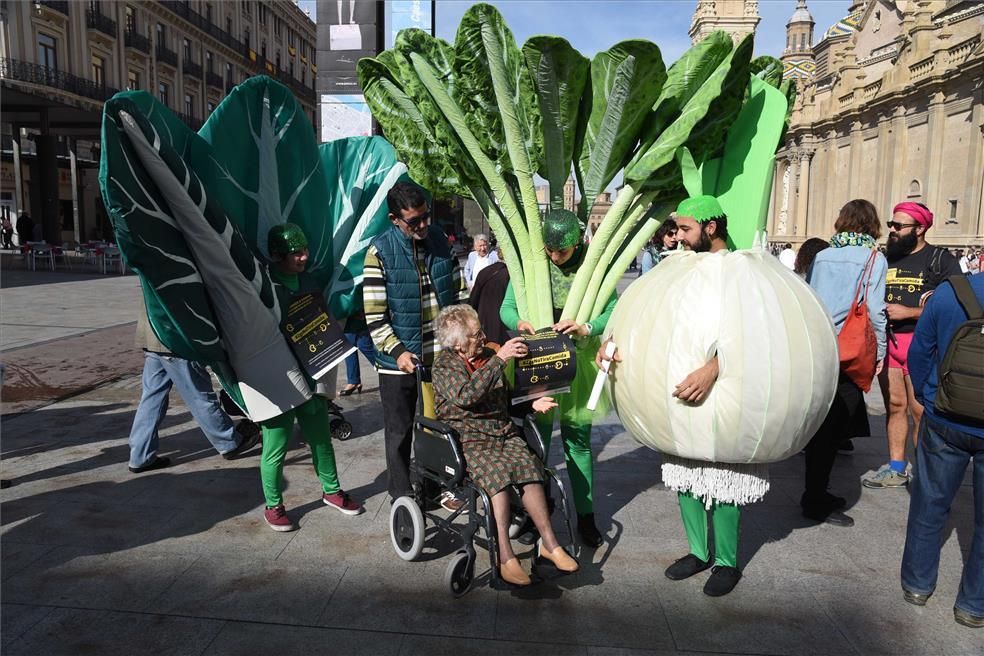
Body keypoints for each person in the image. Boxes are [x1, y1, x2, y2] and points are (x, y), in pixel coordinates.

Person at [598, 194, 761, 597]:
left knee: (725, 477)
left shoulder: (743, 272)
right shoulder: (677, 267)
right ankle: (697, 551)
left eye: (685, 229)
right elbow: (645, 315)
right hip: (679, 398)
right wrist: (612, 343)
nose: (678, 238)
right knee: (686, 475)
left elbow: (756, 334)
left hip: (724, 392)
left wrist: (713, 369)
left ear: (711, 227)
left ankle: (726, 561)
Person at [432, 305, 579, 586]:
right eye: (476, 335)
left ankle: (550, 544)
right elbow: (466, 395)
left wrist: (531, 403)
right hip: (468, 438)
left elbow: (505, 396)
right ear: (458, 342)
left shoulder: (487, 355)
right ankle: (504, 555)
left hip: (501, 431)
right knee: (496, 480)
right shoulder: (444, 365)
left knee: (530, 469)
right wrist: (499, 359)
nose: (483, 337)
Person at [499, 209, 618, 548]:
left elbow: (612, 308)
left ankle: (586, 518)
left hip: (579, 364)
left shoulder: (592, 268)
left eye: (561, 252)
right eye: (549, 250)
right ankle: (537, 514)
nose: (554, 257)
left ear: (577, 243)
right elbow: (507, 306)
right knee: (536, 445)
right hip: (539, 364)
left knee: (578, 444)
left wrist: (587, 327)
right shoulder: (535, 265)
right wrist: (520, 321)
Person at [363, 181, 468, 506]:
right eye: (414, 221)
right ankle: (402, 495)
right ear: (395, 219)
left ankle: (438, 488)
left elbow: (458, 290)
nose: (423, 225)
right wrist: (398, 351)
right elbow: (375, 317)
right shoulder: (379, 252)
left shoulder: (439, 240)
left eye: (426, 216)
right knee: (399, 432)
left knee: (438, 427)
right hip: (399, 363)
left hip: (441, 358)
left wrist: (466, 334)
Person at [259, 224, 365, 531]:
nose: (304, 257)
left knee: (320, 438)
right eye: (297, 253)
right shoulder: (264, 284)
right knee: (275, 444)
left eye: (305, 251)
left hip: (309, 369)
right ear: (279, 255)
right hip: (275, 375)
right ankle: (273, 505)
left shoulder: (308, 280)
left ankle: (331, 491)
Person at [901, 272, 984, 628]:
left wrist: (925, 396)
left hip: (944, 415)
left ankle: (917, 584)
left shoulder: (952, 291)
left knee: (929, 501)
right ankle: (973, 605)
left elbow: (920, 350)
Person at [863, 202, 962, 489]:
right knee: (895, 406)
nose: (892, 230)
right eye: (891, 224)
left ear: (920, 229)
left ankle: (922, 472)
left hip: (922, 344)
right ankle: (896, 467)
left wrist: (911, 313)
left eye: (899, 226)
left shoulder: (940, 259)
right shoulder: (885, 259)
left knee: (920, 410)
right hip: (889, 342)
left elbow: (956, 303)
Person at [803, 200, 888, 526]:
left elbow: (809, 299)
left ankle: (815, 490)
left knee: (821, 422)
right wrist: (879, 352)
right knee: (834, 426)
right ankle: (814, 498)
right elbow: (877, 311)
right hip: (851, 351)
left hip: (820, 347)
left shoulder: (822, 256)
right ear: (871, 224)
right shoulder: (873, 258)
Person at [128, 296, 261, 474]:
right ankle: (228, 441)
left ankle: (140, 454)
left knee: (152, 396)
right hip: (175, 337)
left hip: (154, 335)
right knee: (197, 394)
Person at [468, 245, 510, 347]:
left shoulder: (484, 272)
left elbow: (472, 302)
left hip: (485, 327)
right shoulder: (513, 275)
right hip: (507, 330)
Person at [340, 310, 376, 396]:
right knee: (349, 345)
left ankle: (388, 369)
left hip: (355, 305)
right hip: (347, 310)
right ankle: (353, 381)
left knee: (364, 345)